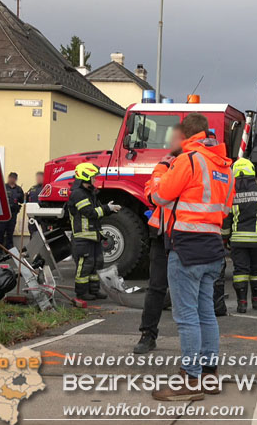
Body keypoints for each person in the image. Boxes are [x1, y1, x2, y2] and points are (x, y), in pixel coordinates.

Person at [150, 113, 234, 401]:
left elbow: (159, 196)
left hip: (186, 247)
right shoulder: (224, 166)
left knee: (186, 317)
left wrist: (160, 171)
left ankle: (190, 378)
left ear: (185, 136)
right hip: (212, 246)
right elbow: (224, 208)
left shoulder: (188, 160)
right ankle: (209, 375)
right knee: (206, 313)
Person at [133, 132, 178, 354]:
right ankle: (147, 335)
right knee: (156, 287)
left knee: (190, 290)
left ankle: (197, 344)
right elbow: (152, 194)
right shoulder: (168, 165)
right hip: (162, 234)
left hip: (185, 235)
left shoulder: (192, 165)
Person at [221, 158, 257, 313]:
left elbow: (227, 219)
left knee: (240, 271)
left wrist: (224, 239)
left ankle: (242, 303)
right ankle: (256, 300)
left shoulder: (231, 192)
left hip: (238, 241)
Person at [67, 163, 121, 301]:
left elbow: (97, 211)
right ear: (86, 177)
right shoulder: (78, 194)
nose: (95, 179)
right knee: (85, 265)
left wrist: (109, 209)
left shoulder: (89, 193)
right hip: (82, 236)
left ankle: (94, 290)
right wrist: (107, 208)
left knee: (97, 263)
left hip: (93, 235)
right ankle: (82, 292)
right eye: (93, 177)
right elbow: (90, 212)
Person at [0, 172, 25, 259]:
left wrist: (23, 196)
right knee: (0, 232)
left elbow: (22, 201)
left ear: (15, 179)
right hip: (4, 214)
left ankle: (9, 251)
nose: (12, 179)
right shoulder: (4, 187)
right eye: (11, 178)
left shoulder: (18, 189)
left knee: (10, 232)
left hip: (13, 214)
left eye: (13, 178)